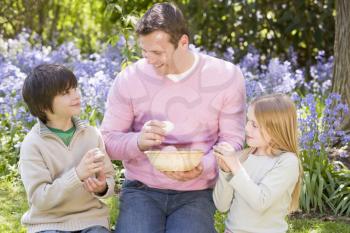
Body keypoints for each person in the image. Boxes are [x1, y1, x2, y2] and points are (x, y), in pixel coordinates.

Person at [100, 2, 246, 233]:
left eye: (157, 52)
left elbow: (233, 140)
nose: (149, 60)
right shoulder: (129, 79)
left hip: (197, 191)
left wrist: (205, 166)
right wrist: (138, 141)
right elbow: (107, 139)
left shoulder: (226, 77)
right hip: (142, 188)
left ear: (183, 43)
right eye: (144, 52)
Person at [20, 64, 115, 233]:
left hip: (91, 220)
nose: (76, 95)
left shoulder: (92, 134)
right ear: (43, 106)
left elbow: (109, 180)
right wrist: (77, 175)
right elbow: (40, 199)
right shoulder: (32, 144)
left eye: (75, 89)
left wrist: (102, 188)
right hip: (47, 224)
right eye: (65, 93)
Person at [213, 93, 303, 233]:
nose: (247, 128)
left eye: (255, 125)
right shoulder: (243, 156)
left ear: (276, 129)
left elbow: (261, 202)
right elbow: (221, 206)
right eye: (248, 121)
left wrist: (235, 166)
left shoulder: (287, 162)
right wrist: (226, 171)